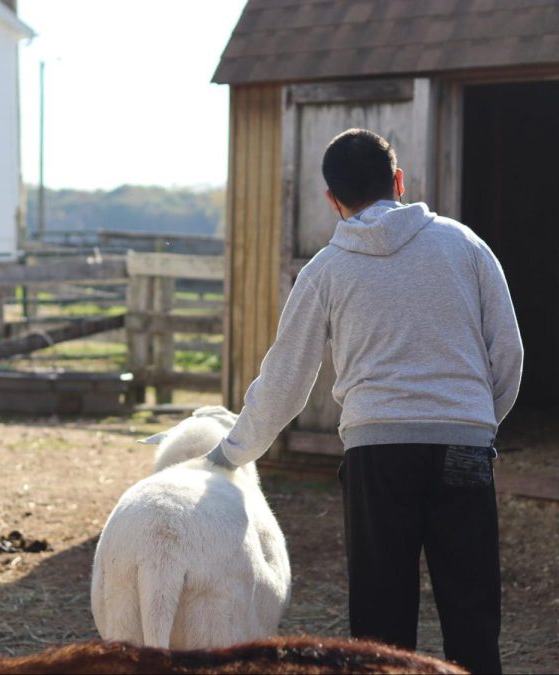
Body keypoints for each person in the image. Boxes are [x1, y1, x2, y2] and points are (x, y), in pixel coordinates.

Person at [207, 128, 523, 673]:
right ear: (398, 181)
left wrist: (229, 453)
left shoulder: (325, 270)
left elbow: (285, 380)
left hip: (377, 452)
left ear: (333, 199)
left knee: (380, 624)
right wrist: (475, 424)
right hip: (465, 444)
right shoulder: (466, 245)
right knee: (472, 614)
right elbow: (509, 354)